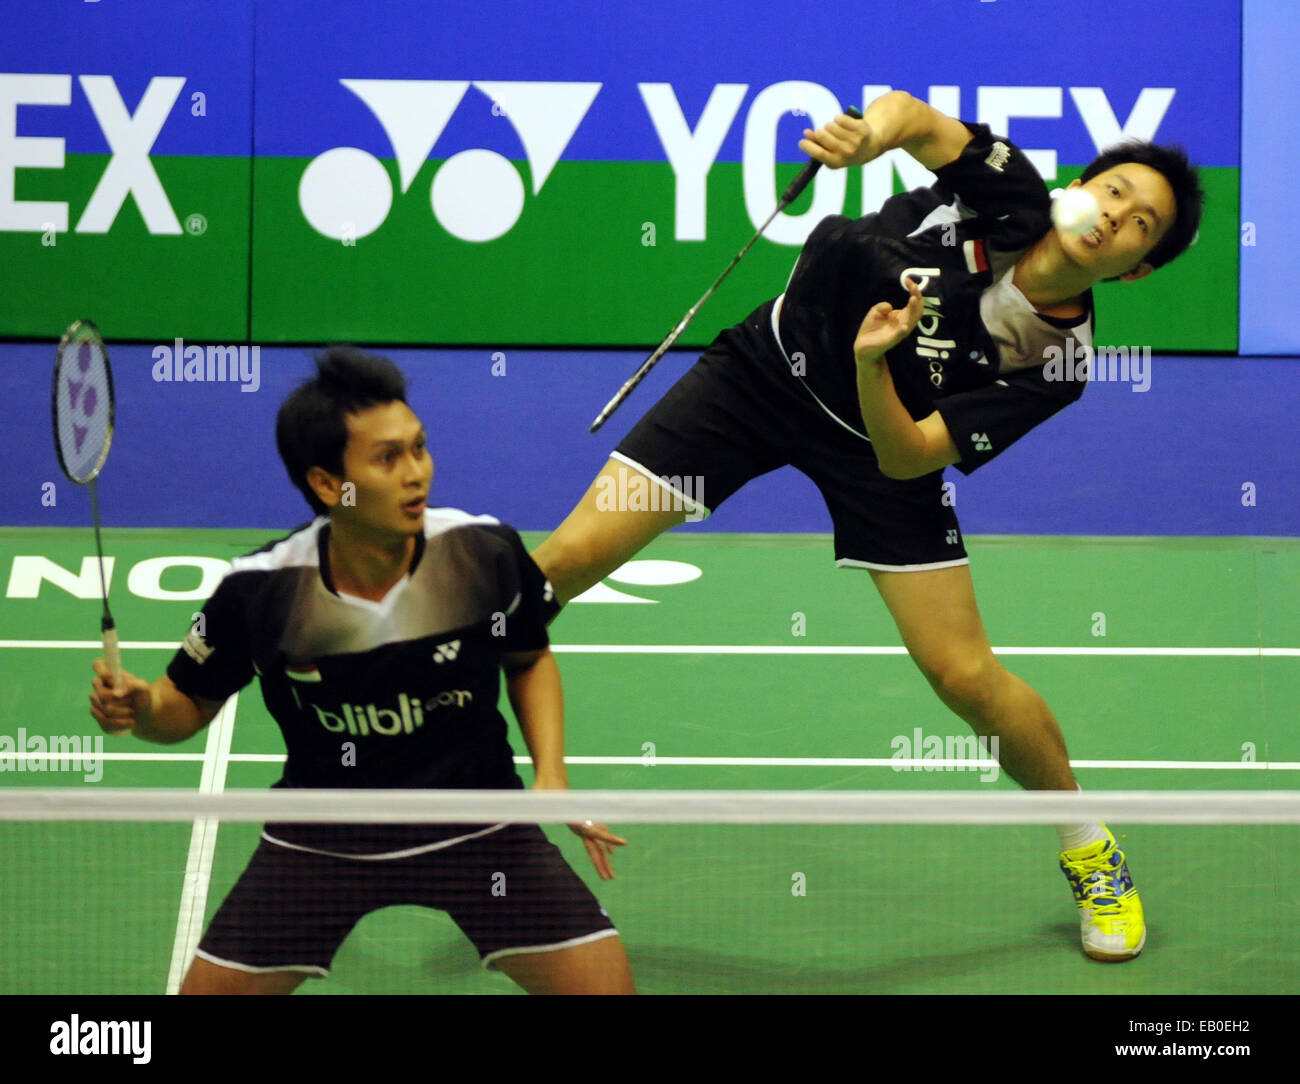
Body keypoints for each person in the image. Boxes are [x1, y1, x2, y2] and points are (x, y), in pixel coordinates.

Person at [531, 90, 1204, 962]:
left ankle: (1090, 848)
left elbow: (912, 457)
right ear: (1079, 186)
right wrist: (863, 140)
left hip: (879, 439)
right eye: (1113, 192)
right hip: (765, 373)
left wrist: (870, 368)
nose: (1116, 216)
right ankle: (422, 699)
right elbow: (913, 118)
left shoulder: (1059, 360)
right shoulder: (1008, 192)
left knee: (964, 675)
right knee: (569, 560)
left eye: (1141, 223)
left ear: (1138, 268)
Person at [89, 349, 635, 994]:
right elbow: (184, 702)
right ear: (328, 484)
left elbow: (529, 656)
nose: (417, 475)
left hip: (480, 825)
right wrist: (142, 707)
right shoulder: (263, 592)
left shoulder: (480, 553)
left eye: (420, 448)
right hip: (324, 835)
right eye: (388, 458)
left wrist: (551, 774)